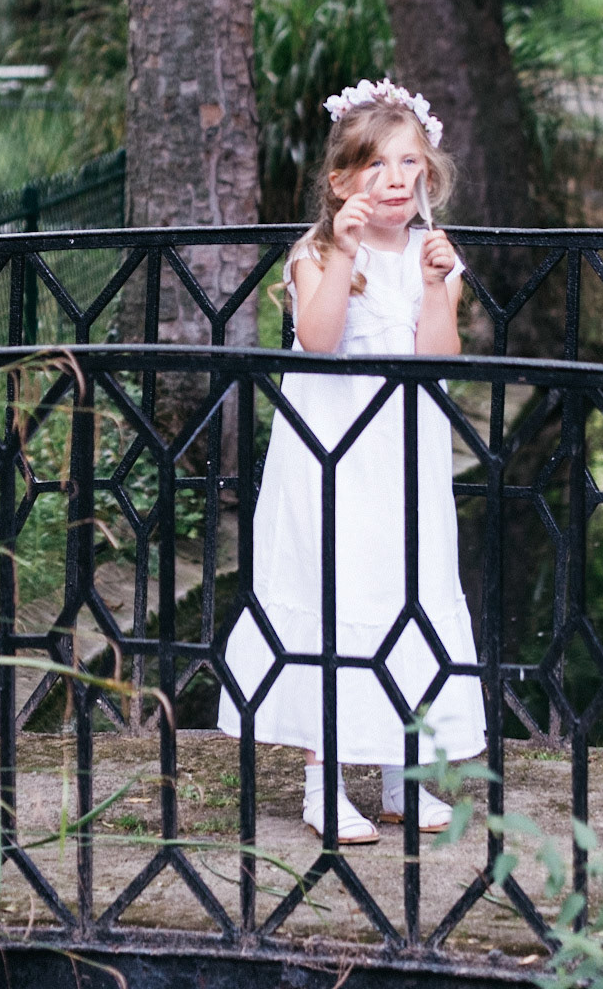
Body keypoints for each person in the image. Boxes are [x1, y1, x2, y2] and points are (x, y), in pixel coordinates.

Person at [217, 79, 485, 845]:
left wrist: (436, 287)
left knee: (408, 595)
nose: (396, 180)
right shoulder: (318, 255)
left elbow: (438, 357)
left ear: (428, 176)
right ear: (341, 183)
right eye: (377, 165)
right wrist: (342, 252)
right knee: (336, 597)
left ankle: (404, 776)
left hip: (404, 461)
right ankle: (323, 787)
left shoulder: (435, 258)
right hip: (332, 459)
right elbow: (319, 337)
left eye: (410, 164)